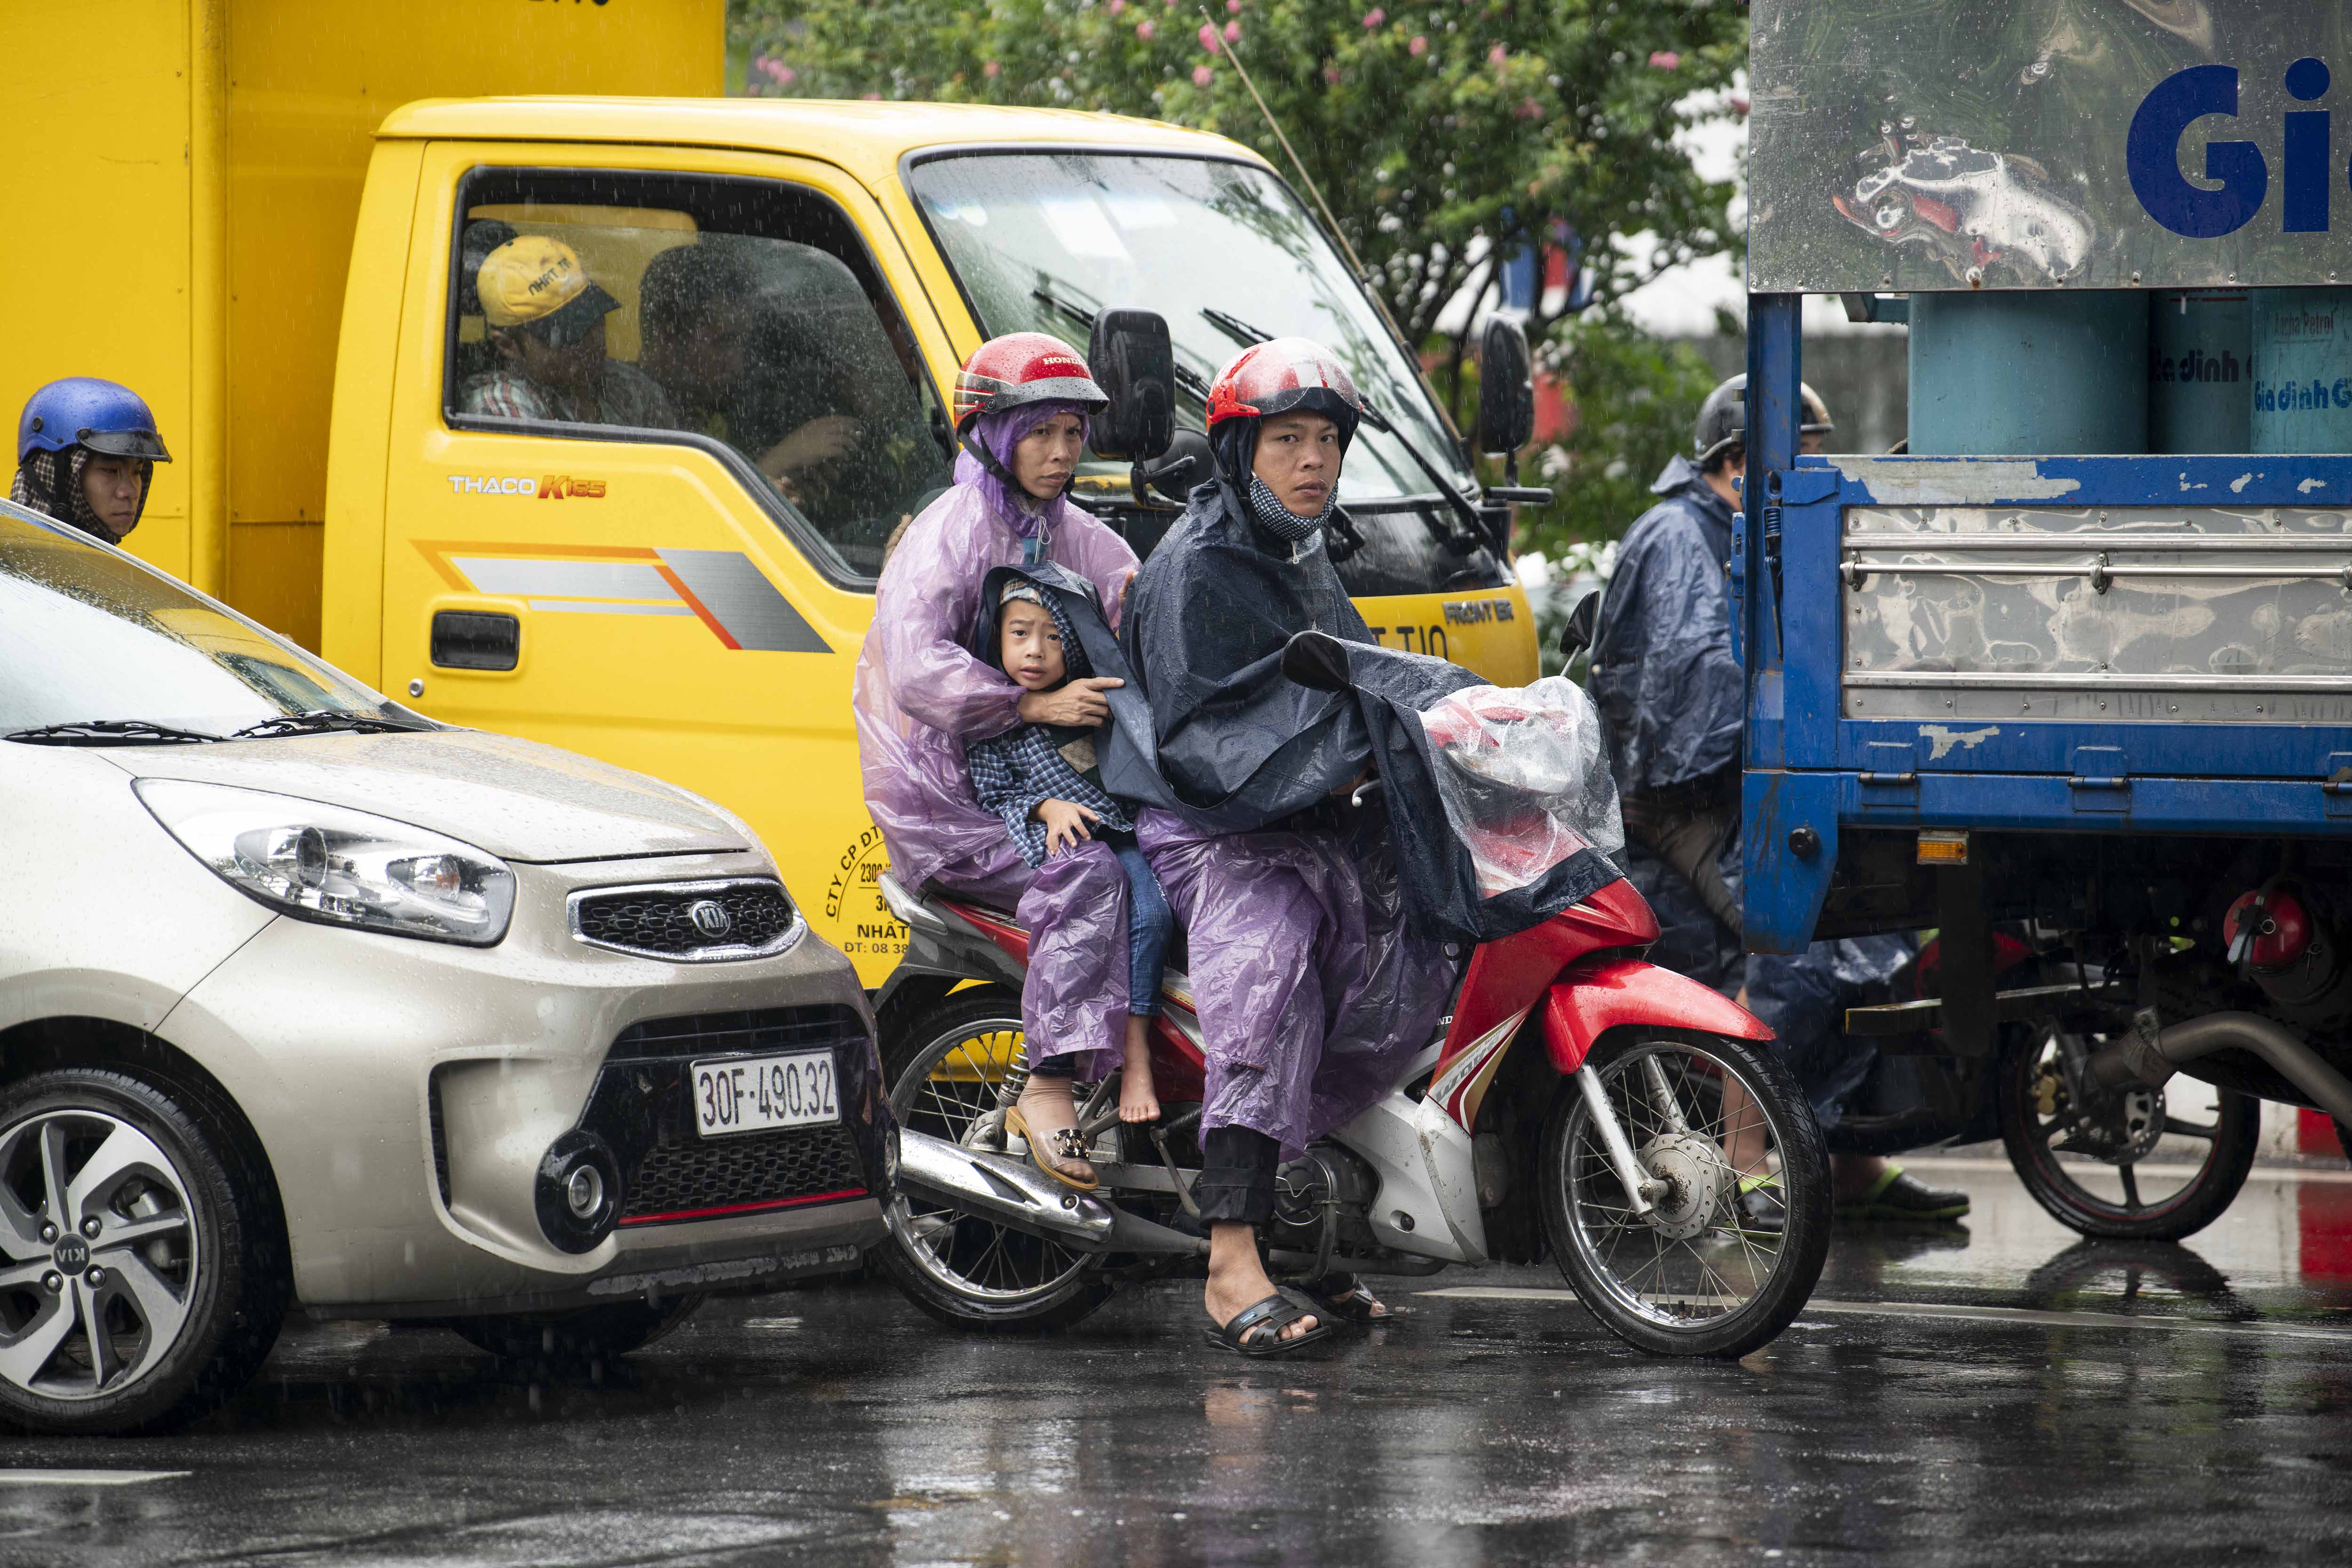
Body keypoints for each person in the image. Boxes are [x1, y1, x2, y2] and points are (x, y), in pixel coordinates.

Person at [1118, 338, 1464, 1354]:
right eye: (1287, 440)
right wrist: (1346, 755)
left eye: (1326, 440)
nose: (1312, 461)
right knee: (1266, 978)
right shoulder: (1196, 566)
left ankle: (1307, 1231)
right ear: (1240, 451)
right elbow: (1206, 741)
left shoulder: (1306, 550)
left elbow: (1354, 674)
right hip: (1213, 831)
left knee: (1410, 952)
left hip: (1302, 818)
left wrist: (1447, 715)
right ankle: (1230, 1260)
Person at [1588, 374, 1967, 1226]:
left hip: (1752, 792)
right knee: (1787, 956)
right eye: (1799, 456)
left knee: (1873, 935)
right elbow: (1700, 691)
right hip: (1686, 808)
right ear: (1734, 461)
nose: (1813, 475)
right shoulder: (1680, 535)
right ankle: (1748, 1163)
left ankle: (1846, 1154)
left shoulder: (1760, 533)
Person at [852, 332, 1143, 1189]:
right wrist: (1029, 703)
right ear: (990, 434)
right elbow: (914, 669)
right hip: (956, 804)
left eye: (1074, 434)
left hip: (1059, 779)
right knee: (1088, 877)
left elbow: (1140, 612)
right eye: (1041, 432)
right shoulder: (949, 535)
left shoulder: (1076, 534)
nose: (1061, 454)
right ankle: (1051, 1086)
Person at [967, 576, 1174, 1161]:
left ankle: (1136, 1053)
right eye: (1020, 634)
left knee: (1154, 916)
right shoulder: (996, 718)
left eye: (1053, 637)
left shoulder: (1090, 704)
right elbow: (991, 791)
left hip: (1117, 834)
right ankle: (1051, 1075)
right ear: (997, 640)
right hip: (1064, 847)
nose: (1035, 650)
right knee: (1085, 920)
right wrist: (1045, 805)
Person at [636, 242, 860, 495]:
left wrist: (788, 489)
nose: (738, 365)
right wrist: (778, 462)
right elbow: (664, 516)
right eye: (724, 343)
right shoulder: (627, 413)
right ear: (667, 336)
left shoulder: (719, 411)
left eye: (743, 342)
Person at [460, 235, 677, 429]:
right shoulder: (499, 407)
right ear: (508, 345)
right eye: (564, 333)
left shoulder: (632, 388)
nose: (588, 341)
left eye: (592, 319)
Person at [10, 377, 172, 543]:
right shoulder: (18, 562)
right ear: (56, 477)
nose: (130, 492)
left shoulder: (88, 565)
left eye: (137, 472)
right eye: (110, 470)